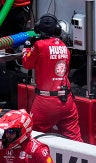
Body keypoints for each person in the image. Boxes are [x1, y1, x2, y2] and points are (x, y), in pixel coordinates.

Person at [21, 14, 83, 142]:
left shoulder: (39, 45)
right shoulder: (64, 46)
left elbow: (27, 63)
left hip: (45, 101)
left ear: (38, 29)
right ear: (57, 30)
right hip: (66, 101)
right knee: (75, 140)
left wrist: (27, 48)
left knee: (32, 139)